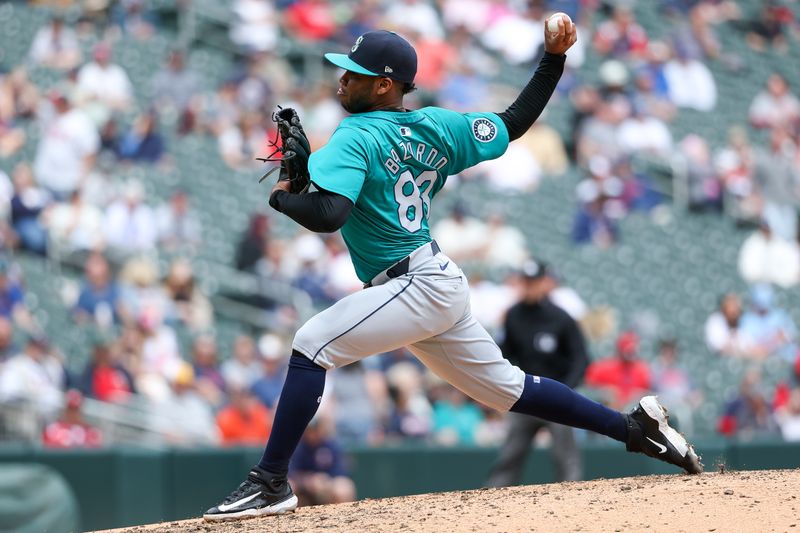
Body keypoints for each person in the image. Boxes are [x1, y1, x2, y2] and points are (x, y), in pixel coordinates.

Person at [204, 26, 701, 522]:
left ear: (382, 83)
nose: (341, 80)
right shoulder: (436, 126)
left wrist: (284, 194)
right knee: (512, 390)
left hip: (412, 283)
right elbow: (515, 121)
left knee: (312, 343)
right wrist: (553, 60)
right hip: (431, 280)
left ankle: (269, 480)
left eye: (353, 73)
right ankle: (636, 430)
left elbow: (330, 215)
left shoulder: (356, 133)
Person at [487, 260, 588, 487]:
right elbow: (504, 354)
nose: (529, 286)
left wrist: (567, 390)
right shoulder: (513, 315)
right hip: (526, 394)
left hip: (557, 395)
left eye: (534, 282)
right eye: (526, 282)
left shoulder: (561, 317)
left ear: (545, 283)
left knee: (565, 456)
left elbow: (580, 358)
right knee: (511, 454)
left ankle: (572, 496)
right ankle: (493, 498)